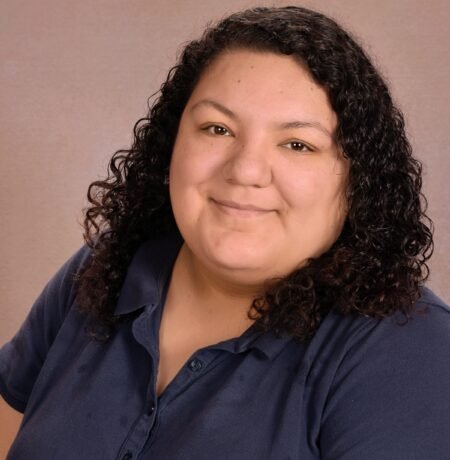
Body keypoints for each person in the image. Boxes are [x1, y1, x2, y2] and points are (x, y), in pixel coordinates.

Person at [1, 5, 449, 459]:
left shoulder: (409, 350)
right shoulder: (106, 266)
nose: (245, 170)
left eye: (298, 144)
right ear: (171, 142)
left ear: (359, 178)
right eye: (217, 128)